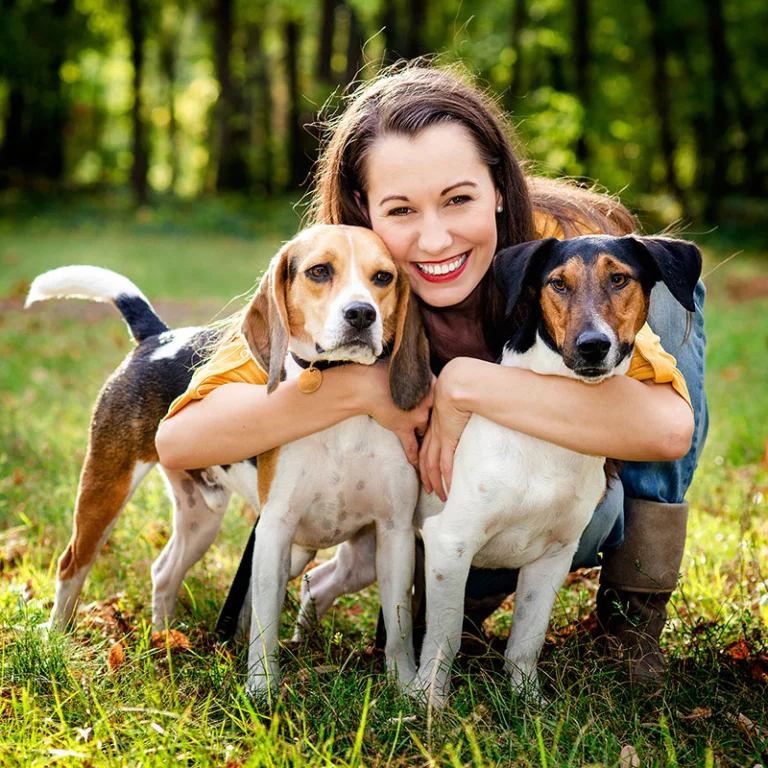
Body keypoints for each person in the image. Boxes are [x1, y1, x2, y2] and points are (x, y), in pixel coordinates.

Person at [156, 65, 707, 685]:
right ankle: (456, 593)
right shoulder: (343, 274)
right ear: (364, 212)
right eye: (400, 210)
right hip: (448, 512)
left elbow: (666, 430)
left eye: (458, 199)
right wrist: (362, 386)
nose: (436, 237)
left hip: (565, 505)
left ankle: (635, 614)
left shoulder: (562, 249)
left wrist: (464, 386)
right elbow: (181, 441)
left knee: (666, 296)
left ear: (500, 188)